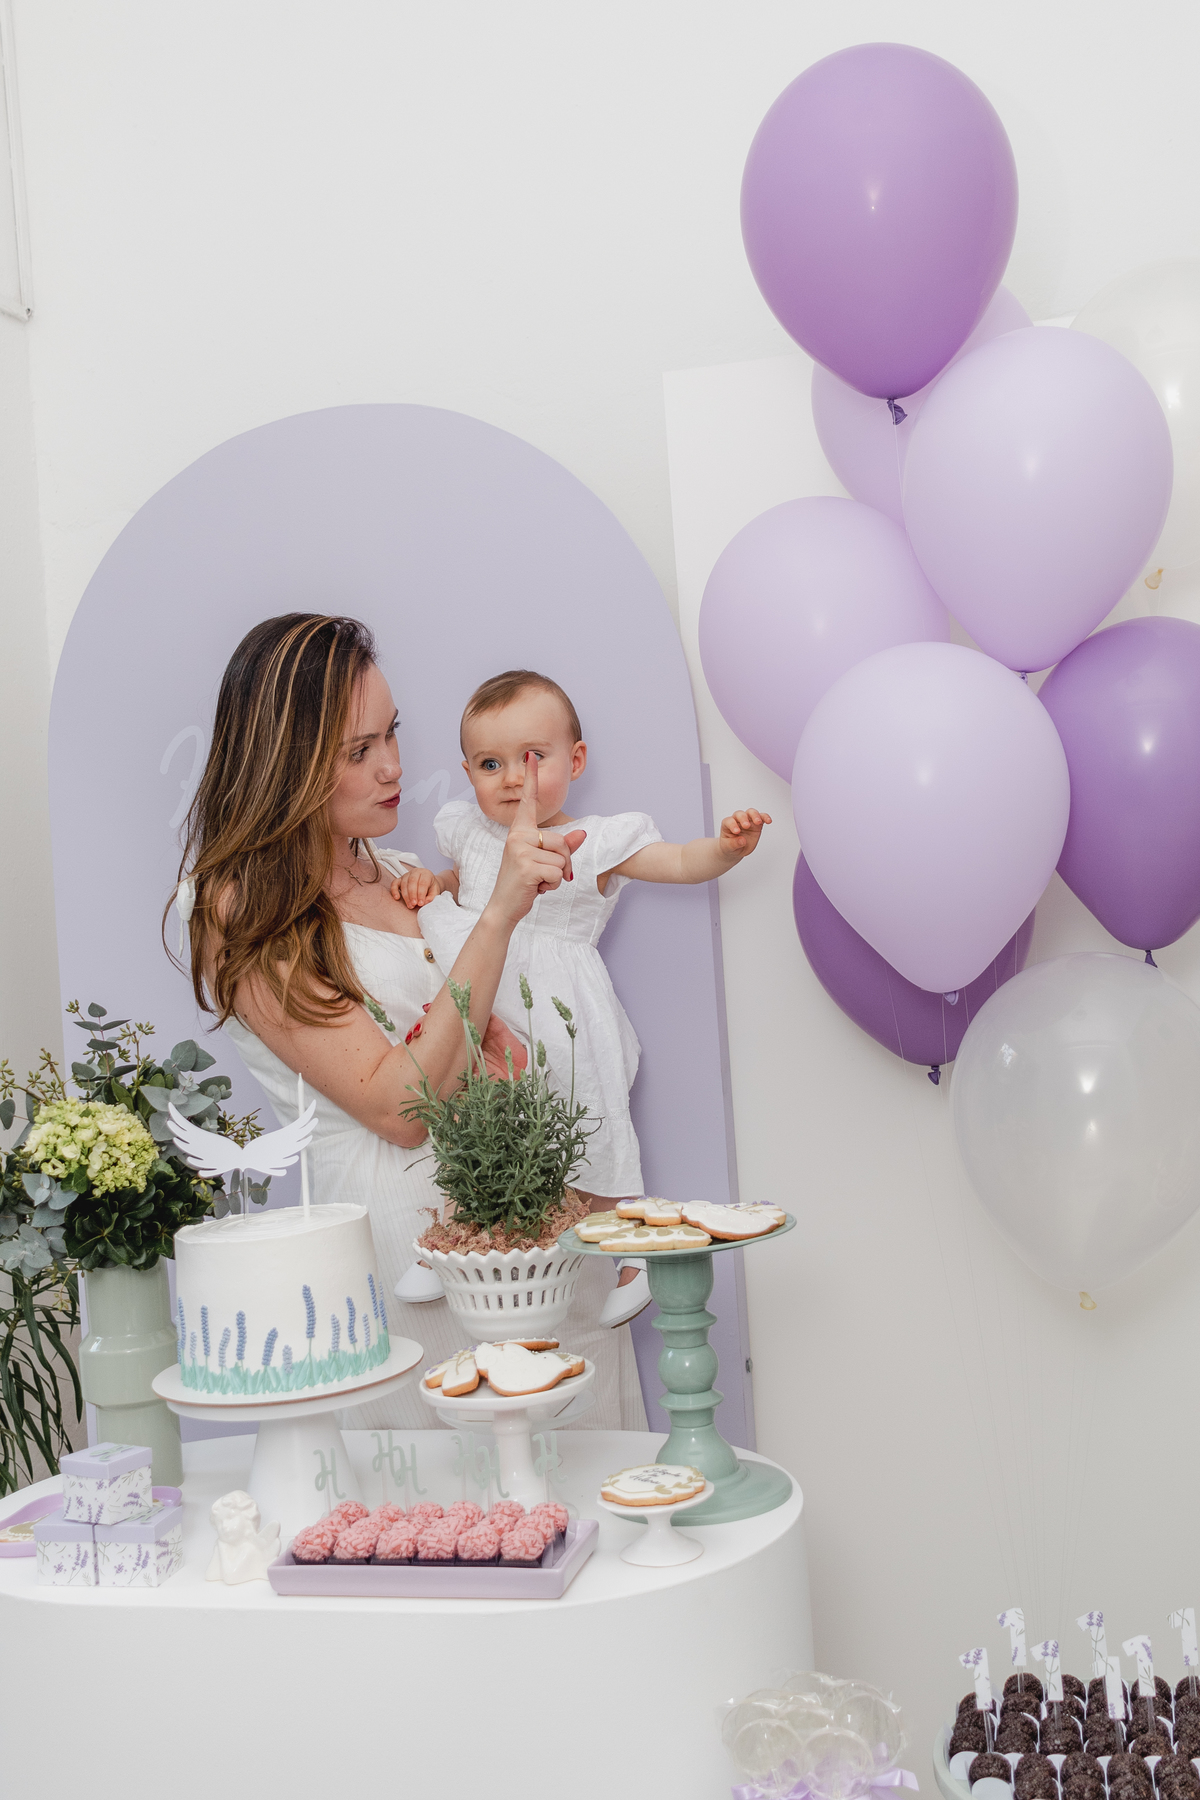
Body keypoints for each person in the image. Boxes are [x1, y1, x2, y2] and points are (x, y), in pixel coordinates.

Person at [170, 614, 646, 1430]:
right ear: (287, 764)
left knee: (589, 1466)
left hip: (535, 1235)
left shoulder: (402, 875)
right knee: (460, 1483)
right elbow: (398, 1107)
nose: (393, 766)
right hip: (414, 1257)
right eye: (358, 751)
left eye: (391, 733)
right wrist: (498, 915)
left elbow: (491, 1032)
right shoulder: (239, 908)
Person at [393, 668, 771, 1328]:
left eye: (532, 758)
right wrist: (436, 883)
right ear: (468, 772)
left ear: (575, 761)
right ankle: (451, 1238)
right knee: (474, 1115)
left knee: (586, 1115)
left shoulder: (594, 842)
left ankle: (633, 1249)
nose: (513, 779)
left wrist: (726, 848)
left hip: (558, 1000)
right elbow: (463, 880)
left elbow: (680, 862)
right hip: (487, 995)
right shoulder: (471, 831)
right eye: (490, 764)